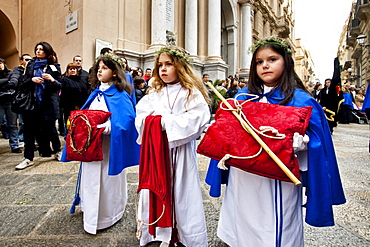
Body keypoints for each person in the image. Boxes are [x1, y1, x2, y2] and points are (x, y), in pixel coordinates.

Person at [205, 36, 346, 247]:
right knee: (240, 216)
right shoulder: (242, 97)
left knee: (275, 227)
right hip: (242, 175)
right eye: (259, 62)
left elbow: (319, 143)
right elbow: (228, 131)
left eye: (272, 59)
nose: (265, 66)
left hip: (277, 177)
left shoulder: (301, 100)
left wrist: (301, 142)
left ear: (286, 62)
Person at [135, 46, 211, 246]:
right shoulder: (155, 92)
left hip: (181, 151)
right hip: (156, 151)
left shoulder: (191, 92)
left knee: (181, 191)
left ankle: (183, 233)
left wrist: (166, 123)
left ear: (180, 66)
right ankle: (157, 231)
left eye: (169, 64)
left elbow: (199, 117)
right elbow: (141, 115)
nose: (163, 69)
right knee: (156, 189)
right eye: (160, 65)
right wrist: (151, 122)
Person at [62, 53, 140, 234]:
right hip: (91, 147)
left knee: (106, 180)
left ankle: (108, 215)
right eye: (98, 68)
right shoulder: (96, 93)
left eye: (104, 68)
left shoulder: (120, 94)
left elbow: (128, 119)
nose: (99, 71)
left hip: (107, 148)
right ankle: (90, 212)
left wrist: (109, 127)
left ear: (114, 72)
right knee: (90, 179)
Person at [14, 42, 62, 169]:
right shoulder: (31, 65)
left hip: (48, 104)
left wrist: (51, 79)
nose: (38, 51)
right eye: (37, 49)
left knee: (51, 129)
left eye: (41, 49)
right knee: (29, 131)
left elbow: (60, 84)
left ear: (47, 51)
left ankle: (57, 151)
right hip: (32, 103)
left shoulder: (53, 66)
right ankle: (28, 158)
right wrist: (32, 80)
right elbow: (22, 83)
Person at [9, 54, 33, 145]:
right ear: (21, 61)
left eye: (30, 60)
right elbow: (16, 82)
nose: (28, 61)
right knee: (21, 122)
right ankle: (22, 139)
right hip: (22, 99)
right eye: (26, 59)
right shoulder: (17, 71)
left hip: (31, 98)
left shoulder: (33, 69)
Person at [59, 63, 89, 133]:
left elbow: (84, 92)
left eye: (74, 69)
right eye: (70, 69)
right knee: (70, 126)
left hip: (81, 107)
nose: (72, 70)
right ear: (67, 70)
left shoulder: (81, 81)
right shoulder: (64, 80)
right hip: (69, 107)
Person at [0, 58, 21, 153]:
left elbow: (14, 83)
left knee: (12, 124)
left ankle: (14, 145)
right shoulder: (9, 76)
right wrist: (6, 82)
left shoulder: (11, 73)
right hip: (0, 102)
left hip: (10, 101)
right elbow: (9, 83)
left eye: (0, 63)